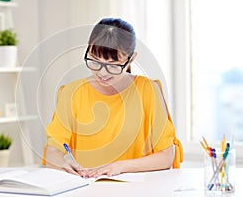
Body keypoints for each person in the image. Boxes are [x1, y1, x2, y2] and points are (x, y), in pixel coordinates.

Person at [42, 18, 182, 177]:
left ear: (131, 58)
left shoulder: (148, 90)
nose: (102, 73)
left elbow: (166, 156)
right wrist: (62, 164)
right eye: (95, 61)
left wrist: (119, 167)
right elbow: (53, 151)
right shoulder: (72, 92)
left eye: (113, 65)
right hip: (86, 188)